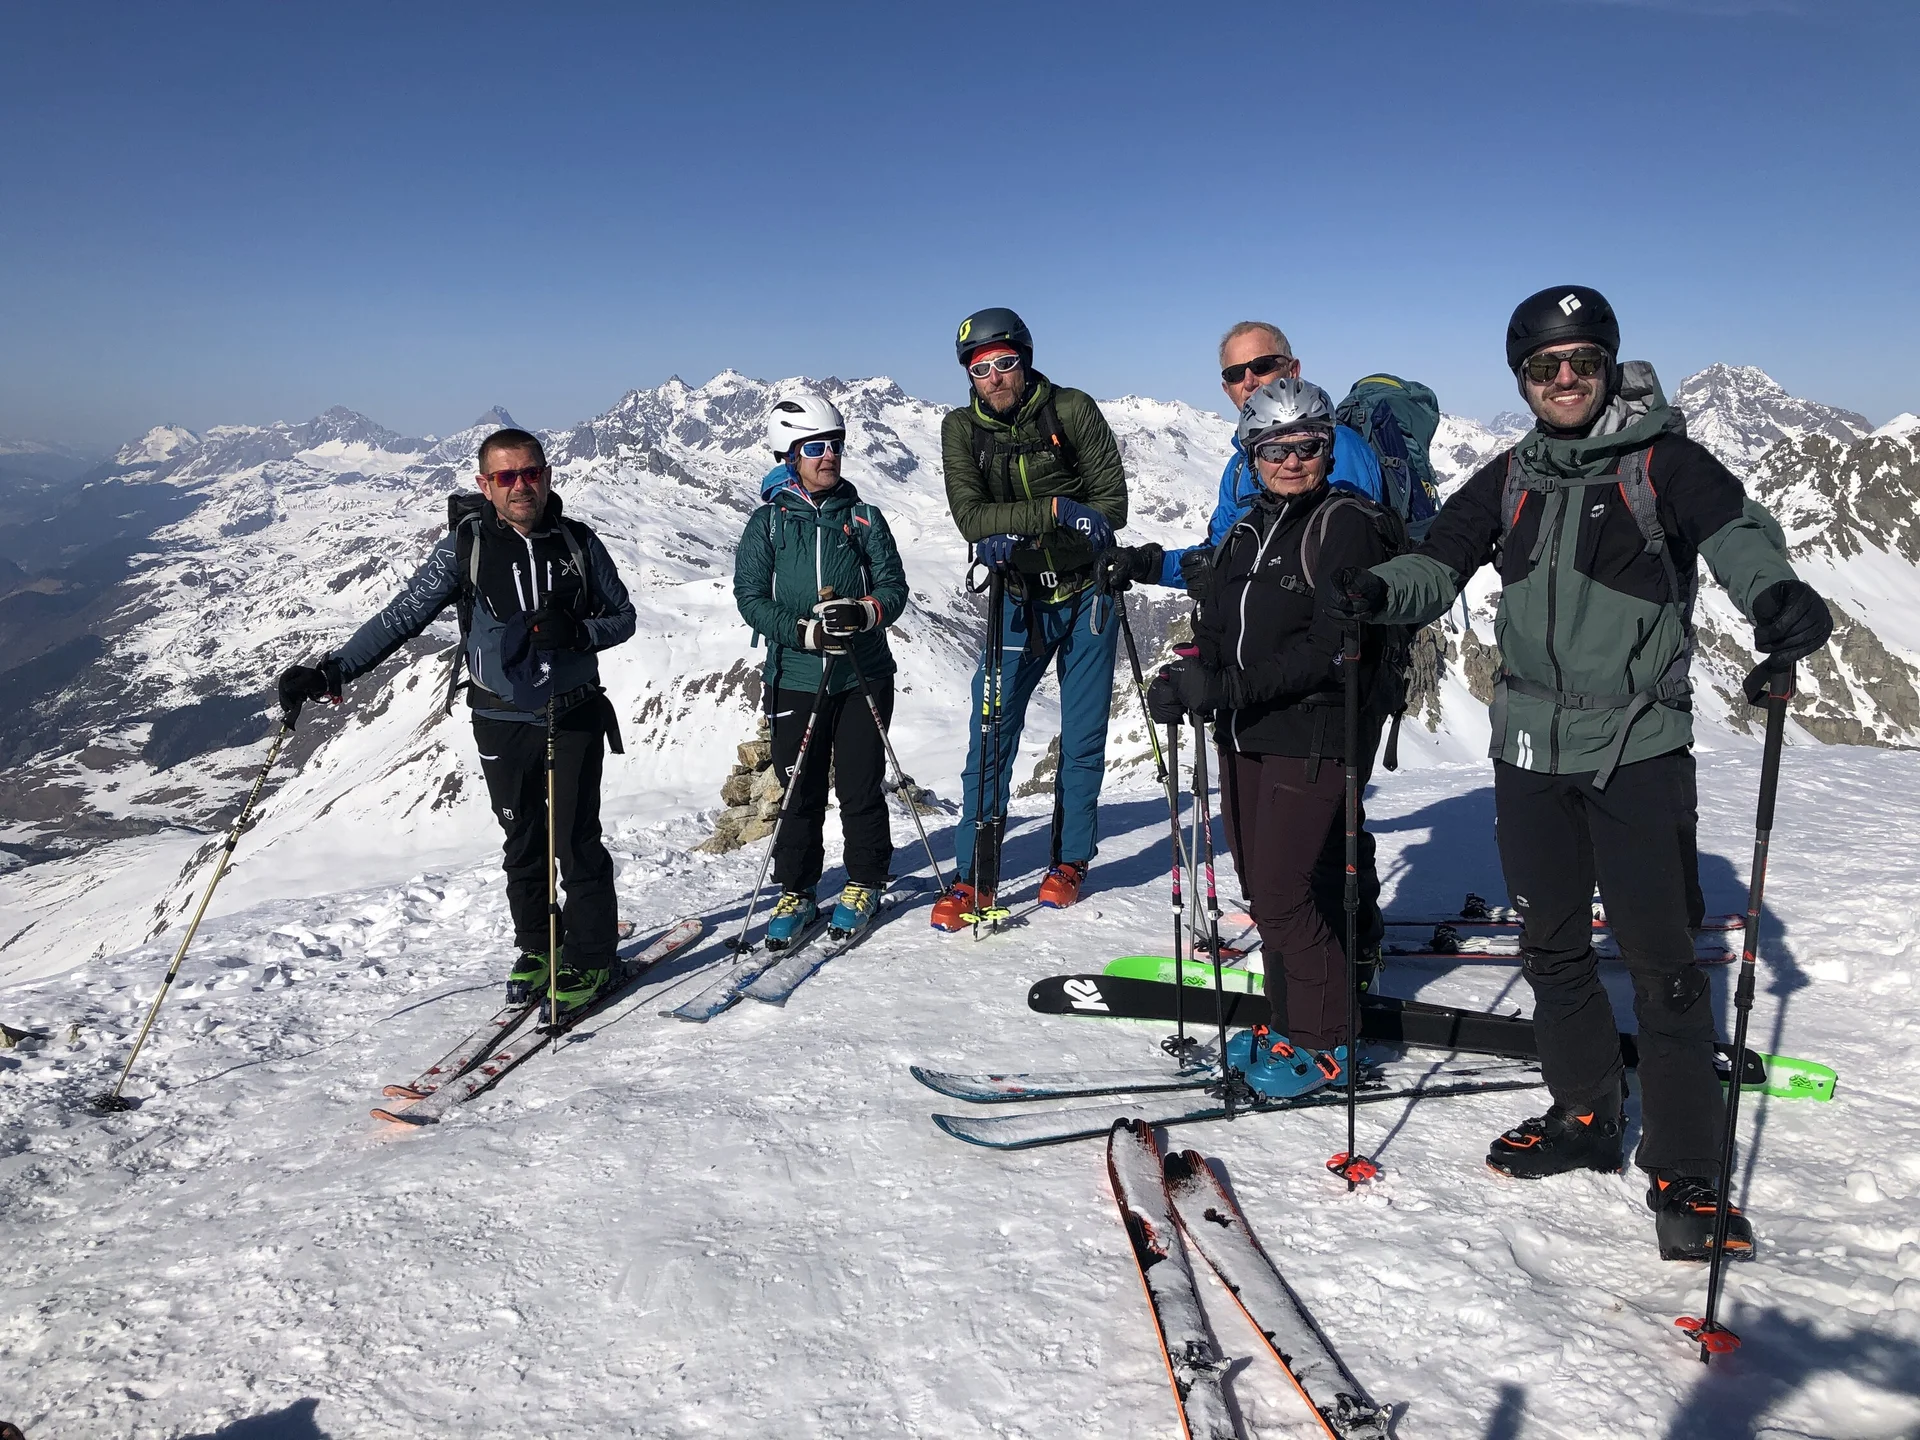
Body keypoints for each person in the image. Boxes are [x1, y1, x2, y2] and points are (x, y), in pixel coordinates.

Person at [1329, 285, 1833, 1260]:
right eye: (1544, 366)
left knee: (1665, 972)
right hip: (1527, 751)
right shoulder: (1512, 474)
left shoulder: (1663, 463)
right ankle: (1588, 1117)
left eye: (1581, 363)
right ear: (1523, 380)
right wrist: (1379, 591)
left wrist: (1775, 595)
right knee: (1552, 950)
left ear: (1605, 367)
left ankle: (1686, 1179)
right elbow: (1441, 559)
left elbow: (1736, 534)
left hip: (1637, 750)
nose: (1564, 379)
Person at [276, 427, 637, 1015]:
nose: (522, 486)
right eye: (506, 477)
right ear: (484, 485)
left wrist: (580, 633)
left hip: (571, 714)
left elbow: (623, 618)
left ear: (546, 473)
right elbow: (403, 616)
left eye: (531, 473)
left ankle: (593, 959)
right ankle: (539, 948)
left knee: (575, 840)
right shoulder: (464, 549)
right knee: (522, 840)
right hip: (498, 719)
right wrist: (333, 671)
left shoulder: (578, 543)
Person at [1098, 320, 1389, 968]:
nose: (1250, 380)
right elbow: (1226, 565)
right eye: (1236, 373)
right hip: (1261, 685)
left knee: (1330, 825)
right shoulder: (1243, 464)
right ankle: (1317, 958)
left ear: (1294, 365)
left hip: (1331, 676)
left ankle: (1352, 954)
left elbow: (1340, 570)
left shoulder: (1337, 453)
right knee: (1294, 844)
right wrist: (1150, 563)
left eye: (1264, 365)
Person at [1145, 379, 1391, 1097]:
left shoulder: (1347, 523)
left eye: (1309, 446)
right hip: (1246, 730)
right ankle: (1292, 1021)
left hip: (1309, 734)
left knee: (1282, 894)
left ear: (1328, 447)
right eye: (1275, 448)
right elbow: (1223, 625)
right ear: (1252, 455)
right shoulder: (1252, 524)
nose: (1292, 460)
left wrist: (1224, 691)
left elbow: (1330, 648)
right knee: (1268, 888)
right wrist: (1187, 673)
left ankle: (1327, 1045)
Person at [930, 307, 1130, 928]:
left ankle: (1069, 862)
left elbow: (1112, 507)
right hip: (1016, 599)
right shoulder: (960, 429)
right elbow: (970, 517)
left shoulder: (1070, 411)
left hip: (1086, 594)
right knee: (989, 734)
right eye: (979, 367)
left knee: (1083, 736)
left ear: (1025, 358)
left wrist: (1021, 523)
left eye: (1004, 362)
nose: (992, 376)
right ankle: (974, 877)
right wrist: (1056, 510)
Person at [731, 395, 910, 946]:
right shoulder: (766, 525)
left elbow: (894, 590)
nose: (828, 456)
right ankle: (798, 888)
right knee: (797, 789)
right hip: (797, 674)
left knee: (859, 783)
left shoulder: (864, 518)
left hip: (862, 672)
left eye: (834, 446)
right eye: (815, 448)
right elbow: (750, 597)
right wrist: (804, 632)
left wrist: (864, 612)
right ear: (790, 455)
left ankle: (864, 880)